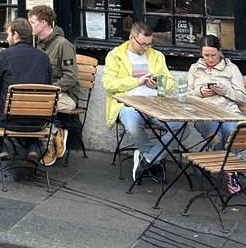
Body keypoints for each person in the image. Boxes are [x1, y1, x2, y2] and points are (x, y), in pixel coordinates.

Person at [103, 20, 180, 182]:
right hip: (127, 103)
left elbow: (171, 83)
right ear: (131, 37)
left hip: (155, 103)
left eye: (149, 45)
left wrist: (159, 83)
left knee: (181, 128)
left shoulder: (157, 56)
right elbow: (109, 84)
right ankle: (155, 159)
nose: (146, 48)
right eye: (142, 44)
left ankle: (149, 158)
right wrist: (137, 81)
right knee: (132, 126)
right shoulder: (115, 56)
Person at [0, 17, 52, 167]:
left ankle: (0, 148)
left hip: (10, 120)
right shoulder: (44, 58)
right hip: (39, 121)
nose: (7, 38)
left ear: (16, 35)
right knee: (29, 110)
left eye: (8, 34)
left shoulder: (5, 55)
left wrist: (5, 100)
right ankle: (33, 148)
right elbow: (48, 88)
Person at [188, 34, 246, 194]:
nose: (210, 59)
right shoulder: (195, 68)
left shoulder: (231, 68)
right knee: (216, 136)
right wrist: (200, 92)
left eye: (213, 55)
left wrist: (224, 90)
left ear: (220, 51)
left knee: (231, 131)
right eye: (206, 55)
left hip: (228, 112)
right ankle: (231, 169)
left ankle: (226, 170)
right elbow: (186, 96)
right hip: (204, 114)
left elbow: (242, 96)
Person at [28, 5, 79, 161]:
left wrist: (50, 90)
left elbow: (71, 77)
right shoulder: (38, 43)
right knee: (22, 102)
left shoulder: (63, 44)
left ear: (43, 23)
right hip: (45, 94)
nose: (30, 26)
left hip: (66, 96)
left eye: (32, 22)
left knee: (36, 105)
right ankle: (55, 132)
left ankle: (48, 146)